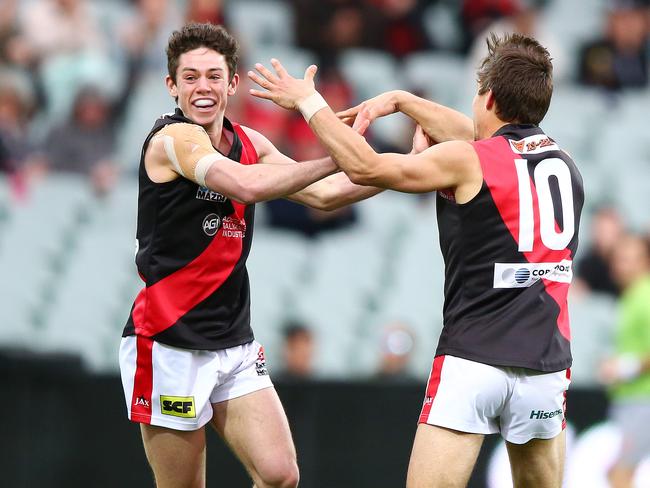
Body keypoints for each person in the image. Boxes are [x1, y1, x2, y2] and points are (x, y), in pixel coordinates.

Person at [249, 32, 584, 487]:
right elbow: (480, 137)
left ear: (486, 97)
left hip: (475, 360)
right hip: (545, 367)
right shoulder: (563, 163)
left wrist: (311, 103)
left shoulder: (469, 160)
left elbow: (366, 168)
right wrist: (403, 100)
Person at [118, 22, 383, 488]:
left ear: (233, 83)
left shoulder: (251, 143)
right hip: (169, 342)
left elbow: (325, 196)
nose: (203, 87)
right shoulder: (172, 141)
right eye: (191, 76)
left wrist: (407, 167)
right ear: (171, 86)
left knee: (280, 475)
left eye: (214, 76)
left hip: (233, 343)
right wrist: (340, 155)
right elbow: (242, 184)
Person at [599, 234, 650, 488]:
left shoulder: (645, 295)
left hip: (643, 400)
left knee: (620, 475)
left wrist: (625, 368)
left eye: (629, 260)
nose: (621, 266)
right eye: (617, 259)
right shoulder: (631, 296)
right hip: (631, 401)